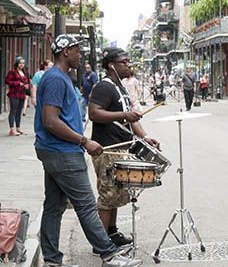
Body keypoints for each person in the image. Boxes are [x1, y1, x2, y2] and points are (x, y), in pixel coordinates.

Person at [34, 35, 142, 267]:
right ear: (65, 52)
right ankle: (109, 254)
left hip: (56, 150)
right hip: (62, 151)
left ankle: (52, 260)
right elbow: (50, 121)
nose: (80, 54)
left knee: (53, 206)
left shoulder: (61, 78)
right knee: (86, 204)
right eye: (76, 50)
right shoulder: (55, 79)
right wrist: (84, 141)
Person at [89, 47, 160, 250]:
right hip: (108, 149)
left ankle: (112, 232)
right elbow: (94, 113)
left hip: (121, 147)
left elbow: (130, 119)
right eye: (125, 62)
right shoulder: (104, 87)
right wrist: (123, 116)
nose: (129, 64)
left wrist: (145, 137)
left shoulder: (120, 87)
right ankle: (101, 244)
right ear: (112, 65)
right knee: (107, 196)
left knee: (117, 194)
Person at [5, 56, 30, 136]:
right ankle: (12, 130)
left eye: (23, 63)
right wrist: (18, 84)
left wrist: (27, 86)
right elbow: (7, 81)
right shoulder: (12, 71)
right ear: (17, 63)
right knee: (13, 111)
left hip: (22, 94)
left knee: (19, 112)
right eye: (20, 63)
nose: (22, 65)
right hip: (14, 94)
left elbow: (27, 82)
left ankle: (18, 128)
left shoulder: (25, 72)